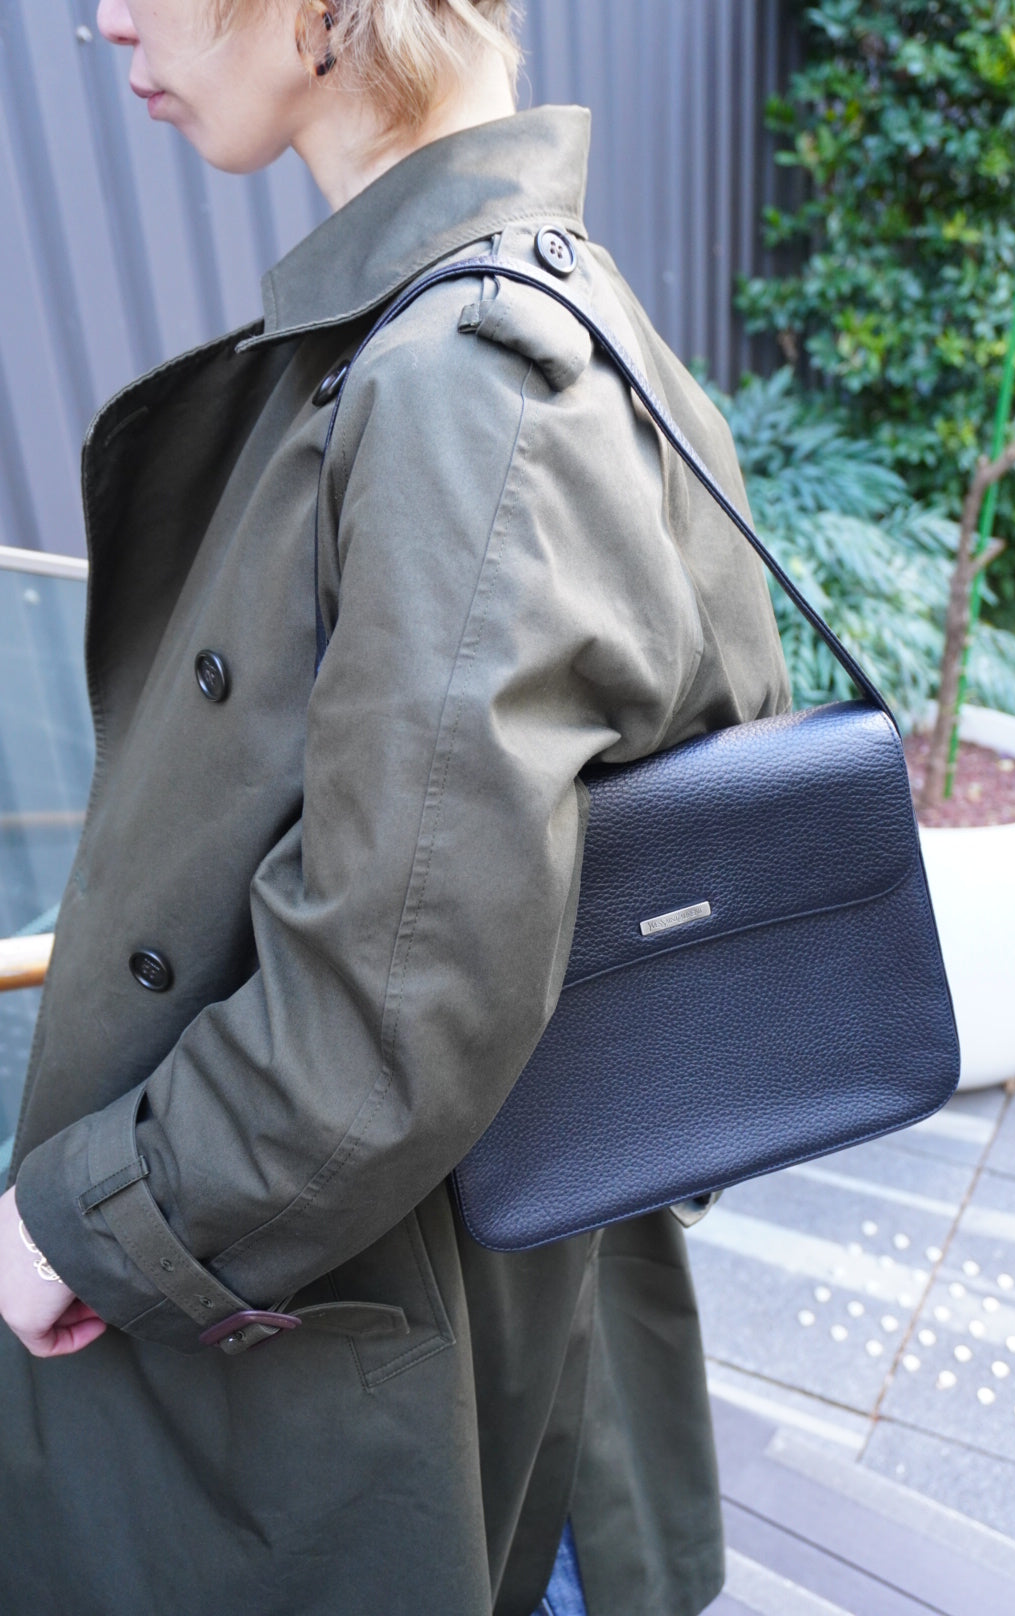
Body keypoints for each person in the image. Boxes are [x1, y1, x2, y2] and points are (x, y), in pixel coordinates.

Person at [0, 1, 789, 1612]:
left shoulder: (465, 384)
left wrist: (81, 1225)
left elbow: (397, 998)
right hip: (415, 1309)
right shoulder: (510, 313)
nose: (105, 19)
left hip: (389, 1373)